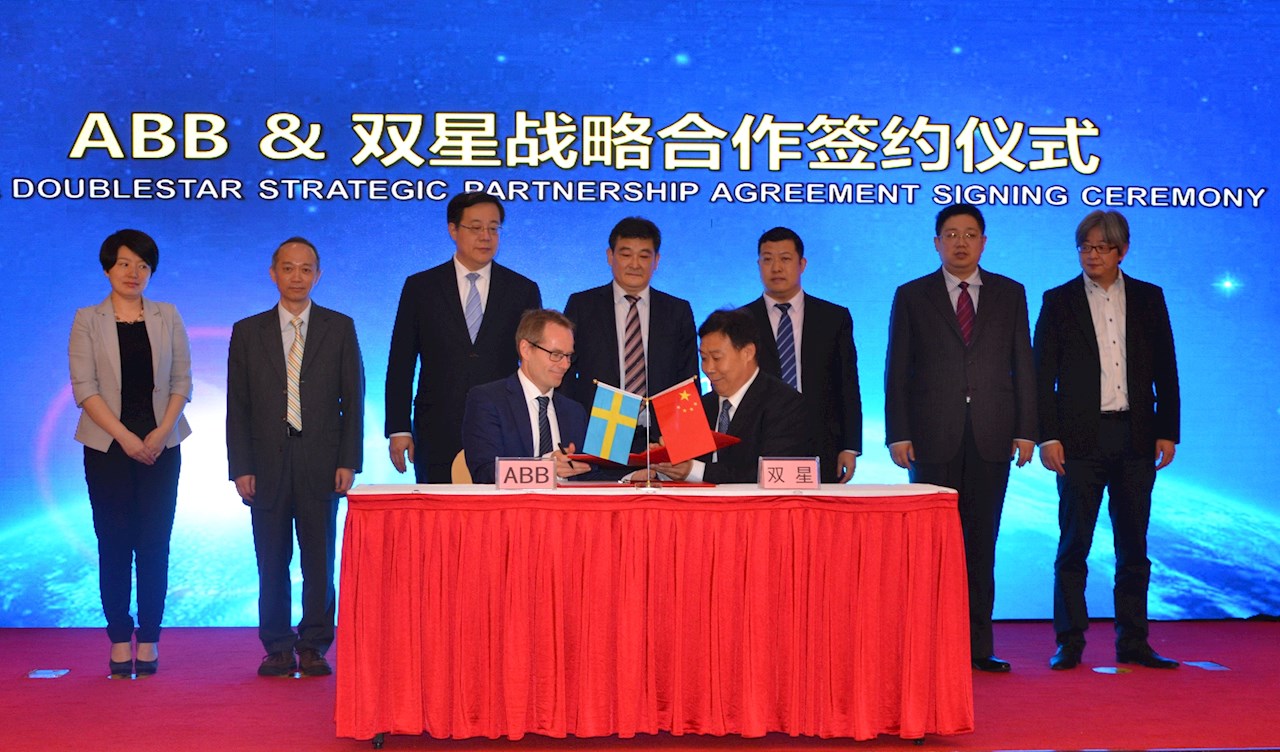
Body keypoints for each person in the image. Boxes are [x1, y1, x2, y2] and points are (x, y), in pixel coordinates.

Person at [884, 204, 1036, 672]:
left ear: (984, 242)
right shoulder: (912, 295)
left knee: (981, 544)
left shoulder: (1010, 293)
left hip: (992, 434)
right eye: (951, 234)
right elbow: (897, 369)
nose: (961, 242)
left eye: (970, 234)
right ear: (936, 243)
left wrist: (1027, 430)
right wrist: (898, 433)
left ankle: (977, 647)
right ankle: (931, 646)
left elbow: (1023, 363)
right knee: (932, 548)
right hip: (931, 437)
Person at [1034, 210, 1181, 671]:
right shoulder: (1058, 300)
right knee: (1073, 544)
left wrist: (1167, 430)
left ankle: (1133, 641)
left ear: (1122, 251)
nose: (1091, 255)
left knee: (1133, 546)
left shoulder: (1149, 298)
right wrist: (1047, 436)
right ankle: (1069, 641)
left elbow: (1166, 369)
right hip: (1079, 439)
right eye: (1085, 247)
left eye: (1101, 247)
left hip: (1136, 436)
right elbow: (1041, 376)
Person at [226, 237, 365, 677]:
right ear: (274, 274)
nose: (297, 277)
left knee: (319, 559)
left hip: (321, 460)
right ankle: (277, 646)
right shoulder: (247, 331)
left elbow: (353, 399)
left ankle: (314, 644)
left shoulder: (339, 327)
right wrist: (241, 467)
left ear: (318, 275)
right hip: (265, 462)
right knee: (271, 559)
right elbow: (237, 406)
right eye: (288, 268)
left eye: (306, 269)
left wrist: (348, 460)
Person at [69, 228, 191, 677]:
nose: (133, 272)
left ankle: (151, 639)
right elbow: (84, 388)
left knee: (155, 544)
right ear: (107, 268)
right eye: (124, 263)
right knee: (115, 544)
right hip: (108, 448)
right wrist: (126, 437)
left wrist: (160, 433)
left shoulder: (167, 315)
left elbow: (182, 381)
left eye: (142, 265)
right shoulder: (87, 319)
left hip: (162, 446)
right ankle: (120, 638)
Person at [385, 191, 542, 483]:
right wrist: (399, 427)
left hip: (504, 426)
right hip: (437, 427)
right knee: (438, 509)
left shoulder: (522, 289)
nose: (486, 236)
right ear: (453, 229)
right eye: (476, 227)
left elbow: (535, 366)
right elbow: (401, 362)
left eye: (493, 228)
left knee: (502, 510)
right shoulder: (421, 287)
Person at [563, 217, 698, 453]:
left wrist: (682, 444)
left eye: (644, 256)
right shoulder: (582, 305)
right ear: (610, 256)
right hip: (598, 434)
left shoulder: (677, 311)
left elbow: (687, 379)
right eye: (626, 254)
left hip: (661, 437)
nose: (635, 264)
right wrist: (572, 429)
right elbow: (565, 372)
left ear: (656, 261)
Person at [741, 226, 862, 482]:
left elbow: (847, 385)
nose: (776, 268)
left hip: (821, 442)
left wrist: (850, 446)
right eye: (767, 259)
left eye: (785, 259)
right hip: (757, 443)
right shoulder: (740, 321)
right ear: (758, 265)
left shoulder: (833, 318)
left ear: (802, 264)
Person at [654, 309, 810, 484]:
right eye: (704, 358)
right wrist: (664, 464)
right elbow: (685, 467)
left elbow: (773, 475)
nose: (708, 369)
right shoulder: (701, 406)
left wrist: (695, 470)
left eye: (717, 358)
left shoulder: (785, 404)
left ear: (747, 353)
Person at [461, 309, 595, 484]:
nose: (565, 365)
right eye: (556, 355)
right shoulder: (488, 400)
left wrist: (628, 476)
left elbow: (590, 475)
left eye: (569, 356)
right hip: (512, 502)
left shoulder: (574, 411)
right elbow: (485, 473)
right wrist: (545, 467)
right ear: (526, 350)